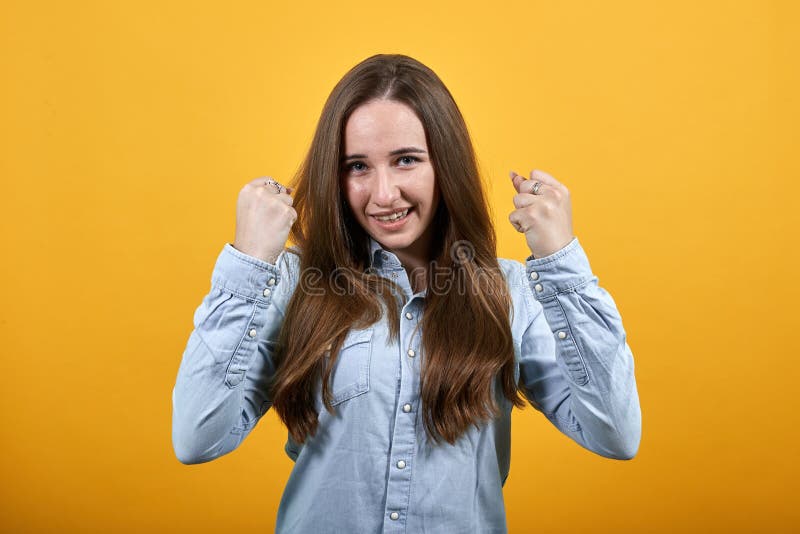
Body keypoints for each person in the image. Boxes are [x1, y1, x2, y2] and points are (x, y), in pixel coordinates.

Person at [171, 53, 641, 534]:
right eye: (357, 166)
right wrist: (248, 263)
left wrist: (561, 260)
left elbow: (615, 432)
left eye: (406, 160)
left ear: (446, 164)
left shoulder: (509, 291)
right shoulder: (292, 284)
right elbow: (197, 437)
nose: (383, 194)